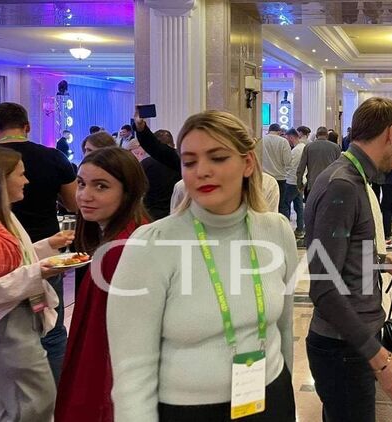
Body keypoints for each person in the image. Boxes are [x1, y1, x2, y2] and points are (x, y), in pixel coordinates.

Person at [108, 110, 297, 421]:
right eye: (189, 162)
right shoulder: (152, 244)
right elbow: (132, 373)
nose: (202, 171)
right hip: (188, 411)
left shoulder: (275, 230)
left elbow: (284, 328)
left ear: (248, 163)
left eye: (218, 158)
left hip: (270, 397)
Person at [305, 97, 392, 422]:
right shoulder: (343, 185)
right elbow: (323, 287)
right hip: (344, 348)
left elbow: (343, 252)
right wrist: (379, 358)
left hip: (350, 344)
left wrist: (383, 261)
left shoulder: (351, 179)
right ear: (391, 133)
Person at [55, 148, 150, 422]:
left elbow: (102, 345)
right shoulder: (125, 236)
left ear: (128, 191)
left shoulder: (120, 250)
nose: (85, 195)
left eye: (101, 186)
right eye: (81, 184)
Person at [0, 102, 77, 385]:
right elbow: (73, 203)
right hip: (31, 268)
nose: (26, 182)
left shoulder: (9, 218)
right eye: (20, 176)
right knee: (47, 333)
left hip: (34, 255)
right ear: (27, 126)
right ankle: (55, 393)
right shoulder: (53, 157)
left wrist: (47, 247)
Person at [126, 137, 181, 221]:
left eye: (142, 154)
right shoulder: (127, 169)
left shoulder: (147, 164)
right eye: (136, 153)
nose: (140, 157)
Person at [296, 126, 341, 199]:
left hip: (312, 184)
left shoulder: (308, 147)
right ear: (327, 136)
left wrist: (299, 184)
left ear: (316, 136)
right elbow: (340, 167)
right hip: (329, 184)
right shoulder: (335, 147)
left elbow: (301, 168)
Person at [260, 123, 291, 214]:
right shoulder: (283, 142)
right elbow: (288, 161)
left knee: (265, 204)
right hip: (280, 177)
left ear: (269, 130)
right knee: (281, 205)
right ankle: (281, 222)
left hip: (264, 177)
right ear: (279, 131)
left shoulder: (262, 140)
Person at [283, 128, 305, 238]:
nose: (287, 141)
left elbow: (291, 166)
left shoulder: (295, 151)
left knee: (285, 205)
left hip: (291, 181)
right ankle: (300, 229)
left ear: (291, 137)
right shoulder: (303, 147)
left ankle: (286, 231)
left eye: (287, 138)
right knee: (299, 206)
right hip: (301, 181)